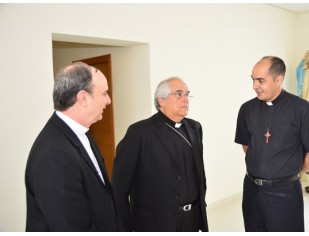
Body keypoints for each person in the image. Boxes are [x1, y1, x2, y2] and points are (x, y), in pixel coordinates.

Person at [235, 56, 309, 232]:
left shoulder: (303, 109)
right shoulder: (246, 109)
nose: (254, 85)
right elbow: (247, 146)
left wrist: (287, 173)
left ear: (278, 79)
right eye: (253, 79)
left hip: (285, 192)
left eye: (260, 80)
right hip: (251, 190)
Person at [25, 62, 117, 231]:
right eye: (104, 93)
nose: (109, 100)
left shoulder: (83, 133)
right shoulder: (53, 155)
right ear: (83, 98)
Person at [112, 77, 208, 232]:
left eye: (187, 94)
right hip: (156, 223)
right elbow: (119, 188)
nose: (186, 99)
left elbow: (199, 173)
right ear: (161, 100)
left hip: (192, 219)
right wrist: (125, 230)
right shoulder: (140, 132)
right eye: (178, 94)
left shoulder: (195, 127)